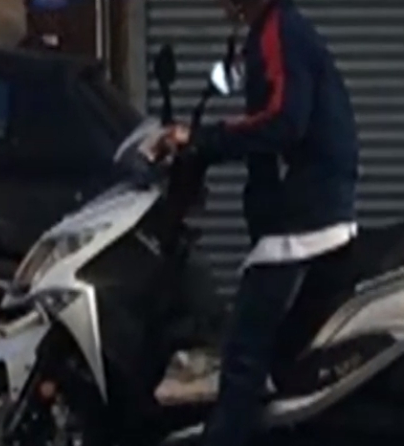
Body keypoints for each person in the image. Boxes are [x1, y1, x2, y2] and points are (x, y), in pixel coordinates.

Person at [150, 0, 360, 445]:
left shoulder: (280, 32)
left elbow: (284, 121)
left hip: (302, 219)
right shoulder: (268, 31)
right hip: (305, 212)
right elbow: (262, 121)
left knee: (243, 358)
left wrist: (202, 139)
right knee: (279, 353)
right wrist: (203, 147)